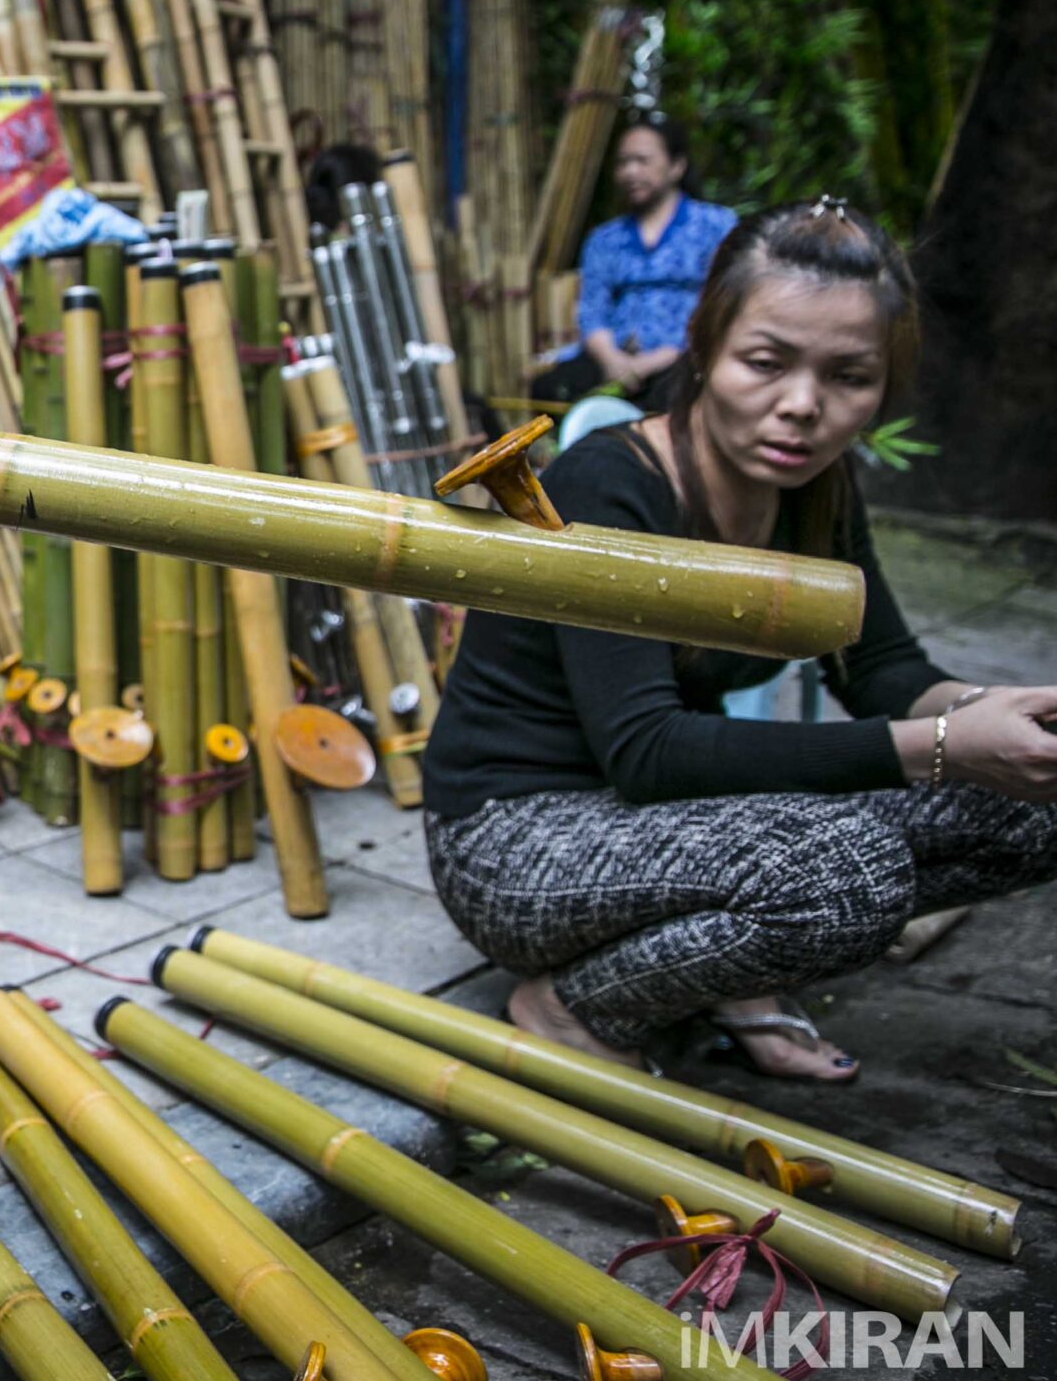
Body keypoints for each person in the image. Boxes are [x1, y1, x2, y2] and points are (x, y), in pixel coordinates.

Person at [423, 198, 1057, 1080]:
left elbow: (881, 670)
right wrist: (944, 745)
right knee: (845, 875)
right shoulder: (609, 483)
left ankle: (721, 970)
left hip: (673, 819)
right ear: (706, 343)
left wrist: (1002, 714)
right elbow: (649, 752)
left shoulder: (815, 484)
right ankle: (573, 1006)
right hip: (518, 837)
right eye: (766, 362)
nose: (802, 407)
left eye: (849, 377)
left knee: (1037, 799)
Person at [541, 113, 737, 408]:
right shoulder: (604, 238)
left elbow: (726, 303)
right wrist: (612, 360)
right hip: (612, 359)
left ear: (676, 166)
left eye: (642, 160)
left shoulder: (716, 225)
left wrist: (662, 358)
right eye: (622, 162)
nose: (630, 172)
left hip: (687, 356)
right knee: (550, 388)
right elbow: (592, 309)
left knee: (677, 392)